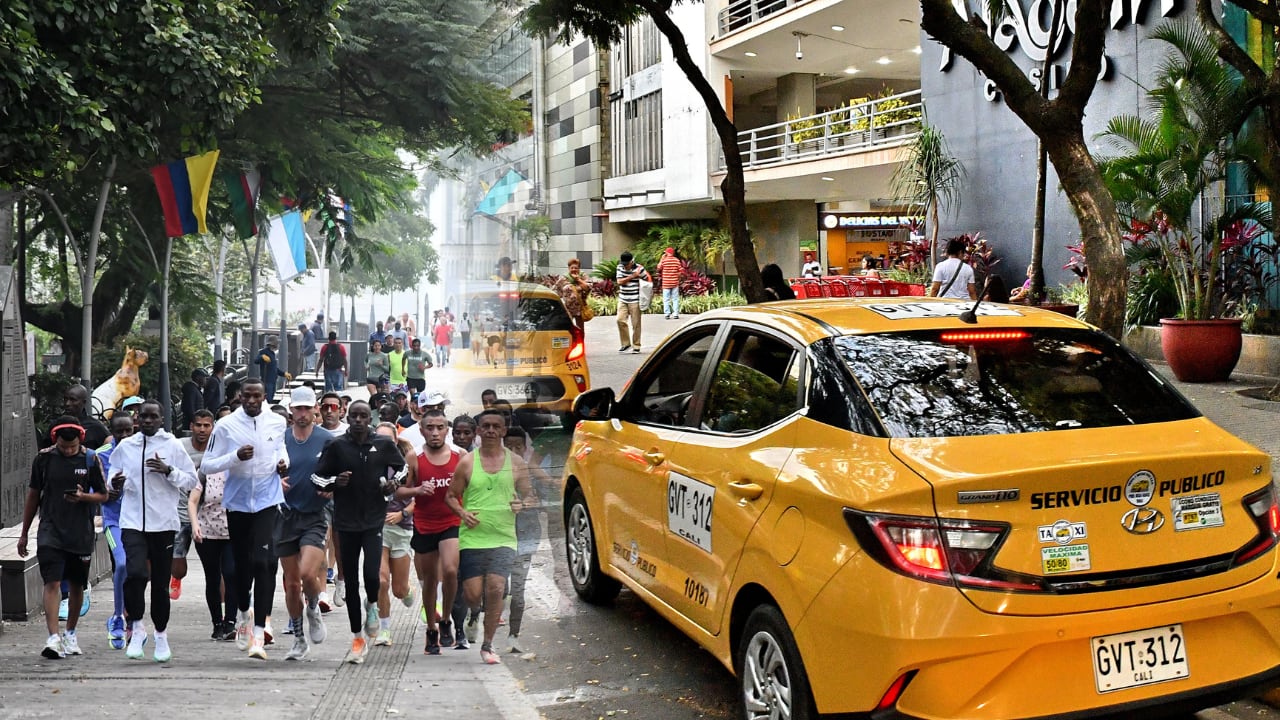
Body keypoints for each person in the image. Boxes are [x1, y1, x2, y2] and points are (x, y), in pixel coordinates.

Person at [201, 377, 289, 660]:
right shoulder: (226, 426)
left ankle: (259, 632)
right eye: (247, 397)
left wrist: (283, 462)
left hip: (267, 498)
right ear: (239, 396)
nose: (252, 401)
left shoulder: (276, 422)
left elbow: (280, 449)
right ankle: (241, 614)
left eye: (257, 397)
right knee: (241, 567)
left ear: (264, 397)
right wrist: (235, 457)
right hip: (237, 502)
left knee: (264, 563)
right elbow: (207, 464)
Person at [314, 401, 407, 664]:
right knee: (351, 581)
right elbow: (317, 477)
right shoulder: (336, 446)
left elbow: (403, 469)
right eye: (353, 415)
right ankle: (357, 638)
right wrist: (335, 482)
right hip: (345, 521)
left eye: (363, 416)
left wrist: (393, 483)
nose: (357, 420)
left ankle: (373, 606)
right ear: (347, 416)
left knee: (372, 576)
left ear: (370, 419)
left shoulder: (384, 444)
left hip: (374, 520)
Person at [445, 409, 538, 665]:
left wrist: (523, 505)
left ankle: (487, 645)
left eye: (496, 426)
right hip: (473, 538)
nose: (491, 431)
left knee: (496, 587)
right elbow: (451, 496)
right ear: (478, 431)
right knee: (474, 594)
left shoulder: (516, 463)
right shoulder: (467, 463)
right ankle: (474, 613)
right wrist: (463, 513)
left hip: (504, 537)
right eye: (485, 426)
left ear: (504, 431)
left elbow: (530, 496)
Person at [109, 400, 200, 662]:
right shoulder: (127, 446)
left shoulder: (171, 445)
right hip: (132, 521)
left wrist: (168, 470)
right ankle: (136, 627)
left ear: (162, 419)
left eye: (153, 417)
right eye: (143, 416)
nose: (147, 421)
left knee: (160, 584)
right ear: (137, 419)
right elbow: (112, 473)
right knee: (135, 572)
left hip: (163, 523)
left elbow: (191, 479)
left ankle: (161, 634)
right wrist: (114, 482)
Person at [18, 417, 109, 659]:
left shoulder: (90, 458)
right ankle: (53, 637)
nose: (68, 451)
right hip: (50, 529)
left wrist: (84, 498)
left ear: (81, 440)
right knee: (53, 582)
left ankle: (70, 632)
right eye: (63, 446)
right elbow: (33, 495)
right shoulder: (44, 458)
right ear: (55, 440)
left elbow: (103, 495)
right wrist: (24, 533)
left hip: (80, 532)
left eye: (72, 447)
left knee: (77, 585)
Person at [276, 387, 333, 661]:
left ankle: (313, 607)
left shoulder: (327, 440)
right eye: (297, 409)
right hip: (285, 515)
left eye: (306, 408)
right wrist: (276, 485)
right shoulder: (280, 439)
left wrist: (332, 488)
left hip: (314, 515)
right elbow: (264, 470)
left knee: (309, 574)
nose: (302, 414)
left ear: (315, 409)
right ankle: (299, 638)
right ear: (291, 411)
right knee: (291, 583)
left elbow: (342, 473)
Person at [406, 410, 462, 654]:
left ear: (447, 430)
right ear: (422, 430)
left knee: (450, 570)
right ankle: (431, 629)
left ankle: (446, 619)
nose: (435, 432)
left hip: (452, 521)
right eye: (430, 428)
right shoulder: (414, 457)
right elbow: (399, 492)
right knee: (430, 580)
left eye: (440, 427)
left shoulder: (461, 456)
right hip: (425, 523)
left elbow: (472, 488)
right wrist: (417, 490)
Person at [186, 413, 239, 642]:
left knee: (231, 574)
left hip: (234, 531)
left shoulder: (239, 469)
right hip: (207, 531)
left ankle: (231, 622)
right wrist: (195, 525)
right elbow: (193, 500)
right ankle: (217, 623)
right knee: (212, 577)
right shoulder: (207, 469)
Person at [501, 432, 552, 654]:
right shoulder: (494, 472)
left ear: (525, 448)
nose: (513, 450)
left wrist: (529, 502)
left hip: (526, 537)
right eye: (509, 446)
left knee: (518, 590)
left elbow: (544, 500)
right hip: (498, 538)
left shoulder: (531, 474)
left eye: (518, 446)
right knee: (499, 588)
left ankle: (514, 635)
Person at [373, 423, 417, 647]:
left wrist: (402, 513)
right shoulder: (368, 463)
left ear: (396, 441)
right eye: (377, 439)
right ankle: (384, 630)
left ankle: (408, 589)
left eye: (387, 440)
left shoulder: (407, 463)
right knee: (381, 581)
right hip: (376, 529)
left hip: (401, 528)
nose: (381, 444)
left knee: (398, 590)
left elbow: (420, 496)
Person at [97, 413, 134, 650]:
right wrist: (110, 492)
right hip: (115, 521)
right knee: (121, 564)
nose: (123, 436)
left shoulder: (142, 450)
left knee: (139, 572)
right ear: (111, 431)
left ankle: (132, 616)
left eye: (128, 431)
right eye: (119, 431)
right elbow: (97, 493)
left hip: (142, 521)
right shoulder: (100, 456)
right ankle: (118, 617)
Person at [170, 411, 215, 601]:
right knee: (179, 568)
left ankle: (222, 614)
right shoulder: (180, 446)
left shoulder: (218, 449)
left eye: (207, 425)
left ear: (213, 428)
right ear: (191, 426)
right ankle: (176, 578)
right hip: (181, 511)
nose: (202, 429)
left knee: (216, 569)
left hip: (210, 515)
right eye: (199, 425)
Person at [615, 251, 651, 354]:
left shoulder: (640, 269)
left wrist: (646, 291)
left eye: (627, 264)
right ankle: (625, 344)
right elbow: (619, 281)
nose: (625, 266)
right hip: (623, 298)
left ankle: (636, 345)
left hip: (635, 299)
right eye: (624, 264)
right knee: (620, 320)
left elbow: (647, 280)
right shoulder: (619, 267)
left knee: (636, 324)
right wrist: (633, 276)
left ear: (632, 261)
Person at [61, 384, 109, 451]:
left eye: (73, 400)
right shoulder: (56, 424)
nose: (67, 403)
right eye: (65, 399)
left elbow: (109, 449)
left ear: (84, 402)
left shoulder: (96, 426)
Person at [555, 258, 592, 330]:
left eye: (576, 268)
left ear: (579, 269)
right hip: (568, 308)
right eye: (572, 268)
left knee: (580, 329)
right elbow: (557, 290)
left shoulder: (583, 276)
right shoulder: (564, 278)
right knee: (567, 328)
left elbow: (588, 287)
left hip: (580, 307)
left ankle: (581, 341)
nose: (574, 269)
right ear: (569, 268)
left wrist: (578, 280)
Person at [254, 335, 291, 403]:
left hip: (273, 379)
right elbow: (256, 360)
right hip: (267, 380)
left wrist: (284, 374)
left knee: (271, 397)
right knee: (267, 398)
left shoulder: (272, 354)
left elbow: (274, 368)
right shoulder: (264, 352)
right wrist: (262, 357)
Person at [656, 246, 684, 319]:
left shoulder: (664, 260)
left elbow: (658, 268)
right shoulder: (676, 260)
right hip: (675, 283)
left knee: (666, 299)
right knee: (675, 299)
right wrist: (677, 276)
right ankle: (676, 314)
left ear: (667, 253)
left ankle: (667, 314)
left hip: (666, 283)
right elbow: (681, 271)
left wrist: (661, 259)